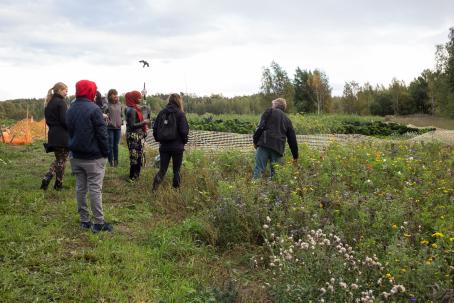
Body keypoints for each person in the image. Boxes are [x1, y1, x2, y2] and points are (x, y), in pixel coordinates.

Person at [66, 80, 112, 233]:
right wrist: (106, 152)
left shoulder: (70, 109)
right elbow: (102, 134)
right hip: (93, 157)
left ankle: (84, 220)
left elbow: (70, 131)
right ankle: (98, 223)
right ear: (90, 91)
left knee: (80, 188)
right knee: (94, 189)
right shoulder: (94, 109)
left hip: (76, 155)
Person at [252, 98, 298, 179]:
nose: (272, 106)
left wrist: (255, 141)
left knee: (259, 170)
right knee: (276, 174)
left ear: (275, 105)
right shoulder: (287, 120)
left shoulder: (269, 111)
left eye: (272, 104)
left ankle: (254, 190)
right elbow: (292, 139)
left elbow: (260, 127)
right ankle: (274, 190)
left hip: (264, 145)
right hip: (278, 148)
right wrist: (295, 156)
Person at [152, 93, 189, 191]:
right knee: (176, 170)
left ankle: (154, 190)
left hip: (164, 146)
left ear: (169, 101)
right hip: (177, 147)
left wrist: (159, 140)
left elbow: (155, 129)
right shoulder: (180, 114)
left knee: (162, 170)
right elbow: (184, 131)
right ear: (179, 101)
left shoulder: (161, 113)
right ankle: (176, 191)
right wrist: (184, 142)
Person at [40, 82, 69, 190]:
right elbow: (64, 120)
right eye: (65, 90)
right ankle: (52, 178)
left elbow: (48, 121)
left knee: (60, 160)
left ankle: (56, 183)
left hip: (52, 133)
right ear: (59, 90)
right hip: (62, 135)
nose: (67, 92)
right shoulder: (61, 103)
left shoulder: (49, 102)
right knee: (61, 160)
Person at [125, 90, 150, 181]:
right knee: (134, 156)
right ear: (134, 98)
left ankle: (136, 175)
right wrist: (144, 122)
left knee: (139, 155)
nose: (140, 99)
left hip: (137, 136)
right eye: (138, 97)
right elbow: (132, 125)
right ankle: (132, 176)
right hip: (133, 136)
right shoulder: (131, 110)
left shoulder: (135, 108)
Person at [106, 89, 122, 167]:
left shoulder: (119, 104)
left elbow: (121, 115)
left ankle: (116, 161)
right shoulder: (107, 105)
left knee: (116, 145)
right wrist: (110, 122)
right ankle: (110, 161)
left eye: (116, 94)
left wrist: (120, 121)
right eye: (113, 94)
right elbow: (103, 116)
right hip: (110, 128)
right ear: (109, 95)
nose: (115, 95)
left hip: (118, 128)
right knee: (110, 145)